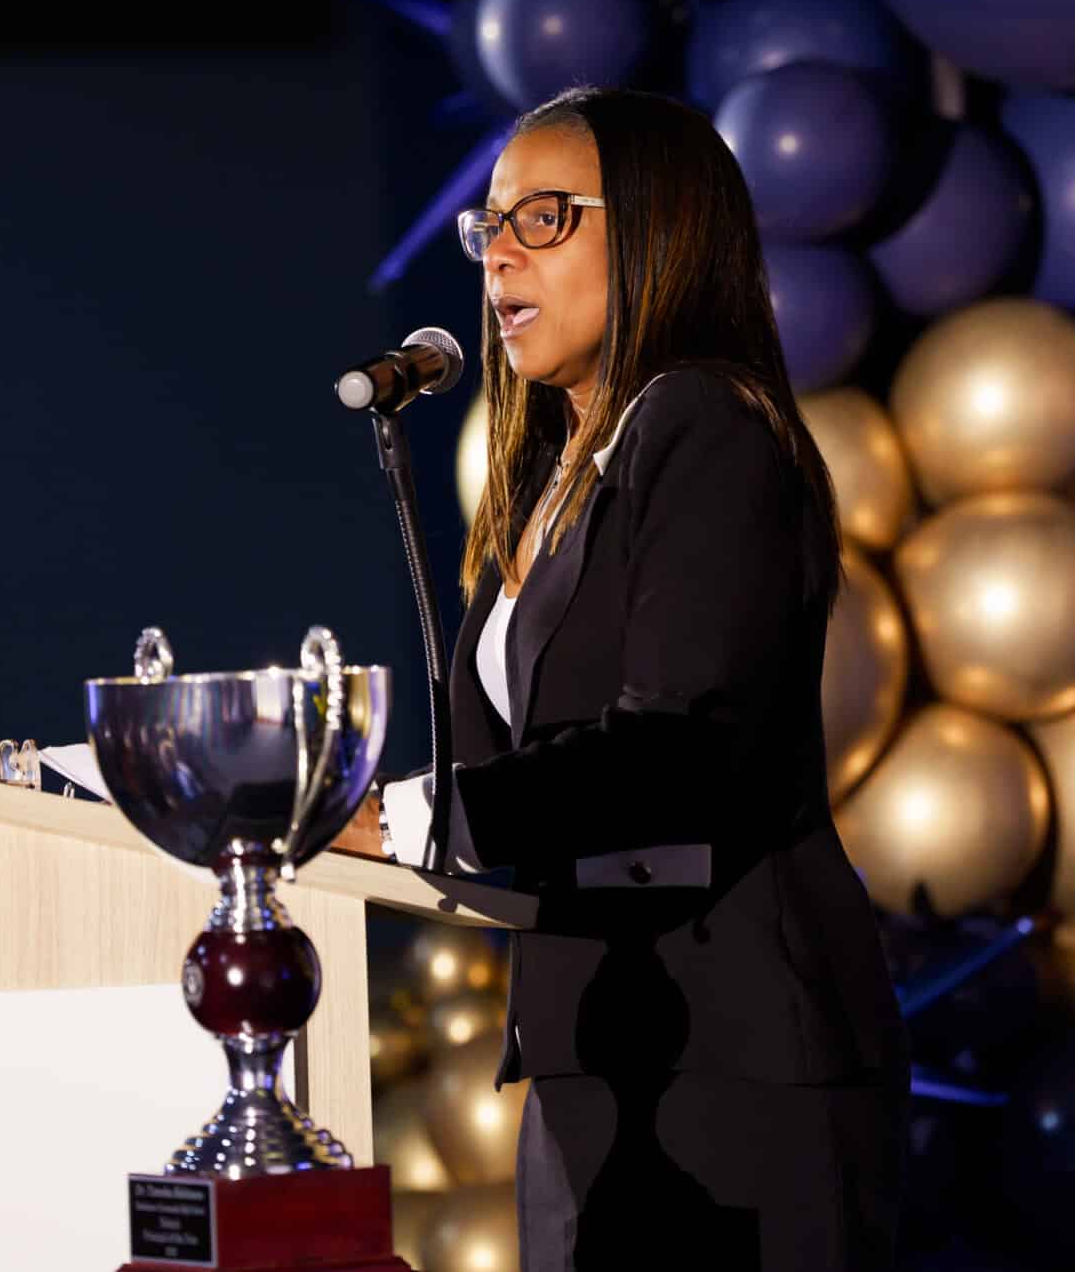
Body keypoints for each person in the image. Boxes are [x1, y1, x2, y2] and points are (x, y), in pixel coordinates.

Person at [338, 87, 909, 1269]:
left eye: (541, 219)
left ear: (657, 228)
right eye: (486, 226)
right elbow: (510, 772)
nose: (496, 256)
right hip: (593, 1045)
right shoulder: (551, 477)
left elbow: (677, 746)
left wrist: (403, 817)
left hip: (731, 1052)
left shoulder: (703, 423)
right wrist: (331, 807)